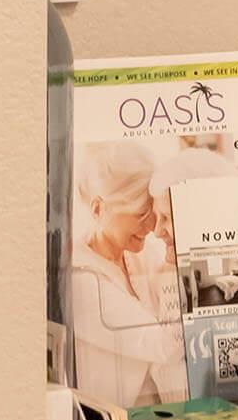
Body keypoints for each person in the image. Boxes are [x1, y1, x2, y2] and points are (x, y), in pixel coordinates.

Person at [67, 141, 189, 406]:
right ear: (98, 209)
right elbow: (166, 346)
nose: (153, 225)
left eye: (154, 212)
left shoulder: (139, 254)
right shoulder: (79, 281)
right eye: (141, 214)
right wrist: (171, 266)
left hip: (165, 416)